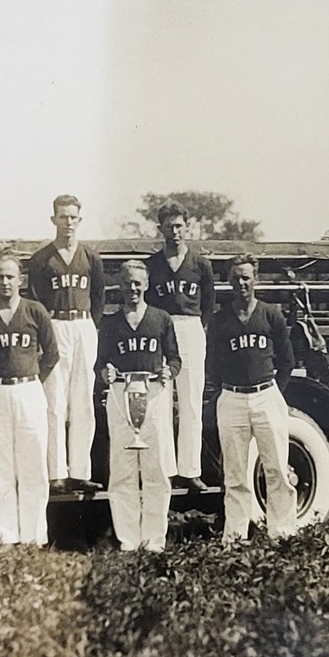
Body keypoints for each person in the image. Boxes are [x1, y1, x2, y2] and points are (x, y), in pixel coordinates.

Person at [0, 253, 59, 546]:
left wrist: (31, 378)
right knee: (1, 465)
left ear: (20, 279)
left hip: (29, 391)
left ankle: (34, 536)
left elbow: (52, 353)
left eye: (10, 276)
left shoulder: (35, 311)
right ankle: (6, 536)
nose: (5, 282)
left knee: (33, 465)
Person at [208, 254, 298, 544]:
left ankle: (282, 534)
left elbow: (287, 360)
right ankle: (235, 537)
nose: (241, 283)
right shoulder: (221, 320)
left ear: (255, 279)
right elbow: (212, 364)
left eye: (246, 277)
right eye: (235, 278)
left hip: (266, 395)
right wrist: (225, 388)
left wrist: (273, 392)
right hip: (232, 398)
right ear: (228, 281)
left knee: (276, 469)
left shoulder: (271, 314)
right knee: (234, 475)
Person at [97, 259, 181, 553]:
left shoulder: (161, 318)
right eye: (127, 283)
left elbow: (175, 358)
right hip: (121, 396)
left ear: (145, 285)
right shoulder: (109, 323)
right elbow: (99, 364)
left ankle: (155, 540)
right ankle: (129, 540)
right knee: (122, 471)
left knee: (155, 469)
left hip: (153, 395)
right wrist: (104, 372)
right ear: (119, 287)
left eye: (137, 283)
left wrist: (169, 370)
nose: (132, 288)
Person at [26, 194, 105, 493]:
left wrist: (90, 325)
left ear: (79, 220)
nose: (68, 222)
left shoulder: (90, 257)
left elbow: (99, 297)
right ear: (53, 220)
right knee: (54, 401)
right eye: (62, 216)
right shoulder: (42, 258)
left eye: (73, 217)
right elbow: (34, 301)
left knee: (83, 401)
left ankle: (81, 471)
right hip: (55, 325)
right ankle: (56, 471)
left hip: (83, 325)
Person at [144, 202, 215, 488]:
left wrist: (198, 329)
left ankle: (190, 470)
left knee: (190, 401)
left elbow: (208, 304)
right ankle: (166, 469)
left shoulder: (201, 265)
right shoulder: (153, 265)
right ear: (160, 228)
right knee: (160, 401)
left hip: (190, 327)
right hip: (162, 328)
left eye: (179, 226)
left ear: (187, 227)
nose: (174, 232)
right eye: (169, 226)